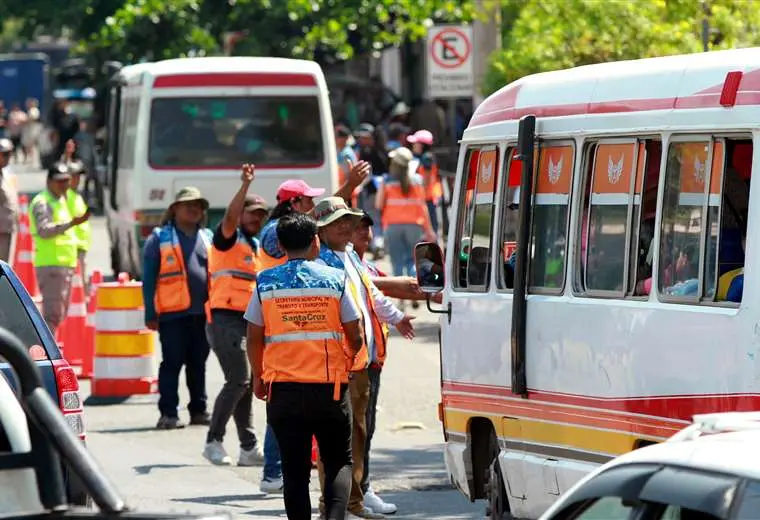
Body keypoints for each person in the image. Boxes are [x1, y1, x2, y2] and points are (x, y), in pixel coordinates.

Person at [245, 212, 364, 520]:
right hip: (330, 389)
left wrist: (259, 377)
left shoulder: (265, 282)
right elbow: (355, 331)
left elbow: (254, 337)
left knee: (294, 470)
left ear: (282, 245)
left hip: (283, 391)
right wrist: (351, 359)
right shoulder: (334, 279)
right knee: (338, 461)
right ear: (315, 242)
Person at [313, 197, 415, 519]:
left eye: (349, 220)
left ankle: (353, 502)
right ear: (321, 228)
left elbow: (374, 295)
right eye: (338, 222)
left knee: (358, 435)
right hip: (339, 364)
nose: (347, 226)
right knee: (336, 440)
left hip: (361, 362)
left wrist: (398, 317)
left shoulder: (352, 258)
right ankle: (332, 505)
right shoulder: (322, 262)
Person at [203, 164, 267, 466]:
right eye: (251, 211)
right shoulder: (227, 238)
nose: (256, 217)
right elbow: (230, 216)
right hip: (225, 318)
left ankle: (248, 447)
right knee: (239, 380)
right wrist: (244, 186)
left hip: (246, 322)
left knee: (245, 383)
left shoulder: (255, 247)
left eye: (260, 214)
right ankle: (213, 441)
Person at [142, 187, 213, 430]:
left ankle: (198, 411)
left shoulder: (208, 237)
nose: (194, 209)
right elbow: (149, 278)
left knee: (198, 364)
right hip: (172, 315)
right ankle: (169, 414)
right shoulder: (159, 238)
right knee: (172, 364)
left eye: (198, 205)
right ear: (174, 209)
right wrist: (150, 314)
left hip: (202, 314)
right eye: (187, 204)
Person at [258, 161, 371, 270]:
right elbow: (320, 211)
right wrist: (350, 185)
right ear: (294, 202)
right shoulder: (273, 230)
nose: (313, 205)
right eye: (309, 200)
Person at [29, 162, 90, 333]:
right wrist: (70, 223)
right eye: (59, 181)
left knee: (59, 315)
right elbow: (44, 230)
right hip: (51, 265)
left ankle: (51, 351)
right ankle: (49, 355)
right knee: (52, 316)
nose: (64, 185)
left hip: (64, 264)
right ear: (49, 182)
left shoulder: (61, 199)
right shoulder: (43, 202)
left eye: (66, 181)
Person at [376, 147, 436, 308]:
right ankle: (415, 295)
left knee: (397, 263)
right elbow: (422, 206)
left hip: (393, 226)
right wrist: (429, 230)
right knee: (412, 261)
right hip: (414, 226)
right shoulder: (417, 181)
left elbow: (378, 204)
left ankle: (402, 300)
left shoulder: (386, 181)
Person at [408, 129, 442, 234]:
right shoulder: (421, 158)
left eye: (416, 143)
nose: (413, 145)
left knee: (431, 230)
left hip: (427, 199)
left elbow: (426, 182)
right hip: (424, 198)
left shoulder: (426, 159)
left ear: (422, 145)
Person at [65, 160, 92, 291]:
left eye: (78, 176)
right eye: (73, 176)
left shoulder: (77, 196)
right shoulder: (65, 195)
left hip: (81, 246)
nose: (77, 179)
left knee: (81, 283)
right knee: (78, 285)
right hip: (73, 247)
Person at [0, 139, 18, 262]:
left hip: (7, 228)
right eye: (5, 154)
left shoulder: (6, 172)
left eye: (9, 154)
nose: (8, 157)